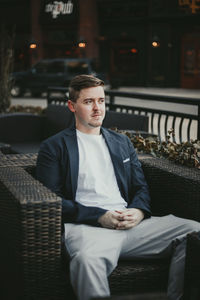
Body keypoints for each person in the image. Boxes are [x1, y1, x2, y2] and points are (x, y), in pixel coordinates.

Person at [36, 75, 200, 300]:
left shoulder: (121, 142)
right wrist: (100, 216)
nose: (97, 108)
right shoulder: (54, 147)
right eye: (88, 102)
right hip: (88, 228)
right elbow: (52, 201)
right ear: (72, 106)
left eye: (101, 101)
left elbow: (140, 187)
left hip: (133, 225)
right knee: (86, 261)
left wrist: (139, 211)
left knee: (194, 231)